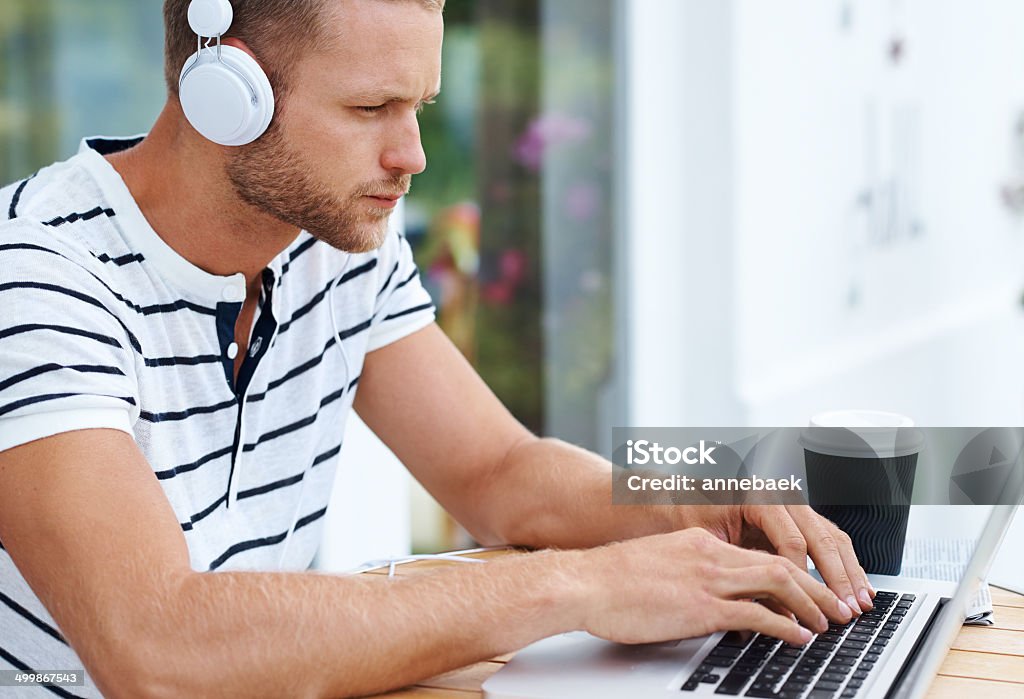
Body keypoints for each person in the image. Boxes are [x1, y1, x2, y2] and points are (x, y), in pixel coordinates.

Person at [0, 1, 874, 696]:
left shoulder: (336, 238)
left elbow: (497, 468)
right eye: (370, 107)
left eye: (417, 105)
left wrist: (693, 495)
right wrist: (585, 586)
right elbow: (160, 652)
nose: (412, 154)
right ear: (222, 94)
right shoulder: (39, 276)